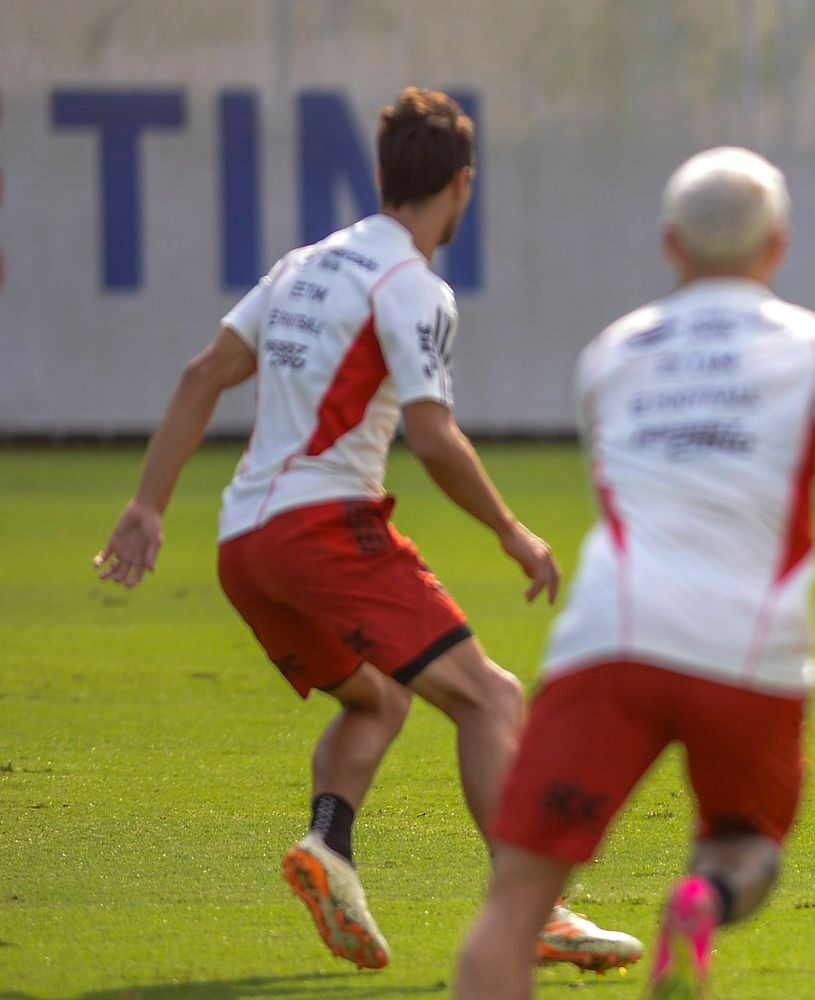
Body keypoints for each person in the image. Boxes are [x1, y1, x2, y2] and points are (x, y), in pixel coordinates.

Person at [93, 87, 640, 973]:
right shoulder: (414, 287)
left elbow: (204, 373)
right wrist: (508, 529)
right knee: (492, 698)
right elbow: (431, 434)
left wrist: (149, 504)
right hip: (323, 528)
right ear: (462, 186)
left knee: (380, 699)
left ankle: (328, 850)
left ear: (383, 176)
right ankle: (534, 912)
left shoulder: (303, 264)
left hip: (245, 543)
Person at [452, 146, 815, 999]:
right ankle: (703, 898)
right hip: (750, 654)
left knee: (514, 906)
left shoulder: (609, 355)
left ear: (671, 244)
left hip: (611, 642)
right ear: (777, 246)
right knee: (746, 844)